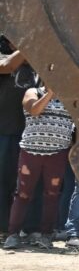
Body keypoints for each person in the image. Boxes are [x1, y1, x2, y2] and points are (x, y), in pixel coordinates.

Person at [3, 73, 74, 249]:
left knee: (52, 195)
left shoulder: (70, 98)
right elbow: (34, 110)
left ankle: (46, 235)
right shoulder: (32, 92)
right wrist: (50, 94)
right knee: (23, 194)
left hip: (57, 154)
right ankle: (13, 234)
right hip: (30, 153)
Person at [0, 37, 27, 239]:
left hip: (29, 135)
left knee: (21, 185)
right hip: (4, 132)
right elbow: (7, 66)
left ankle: (17, 227)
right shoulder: (4, 55)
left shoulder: (34, 62)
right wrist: (34, 44)